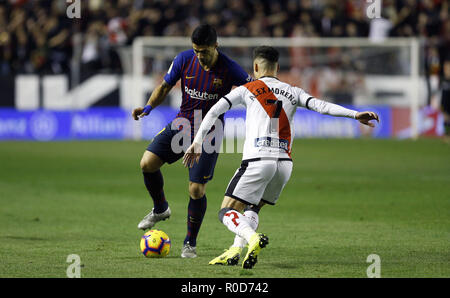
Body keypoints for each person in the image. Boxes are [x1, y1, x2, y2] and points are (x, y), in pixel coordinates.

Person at [183, 46, 379, 269]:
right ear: (277, 68)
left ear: (256, 67)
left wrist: (197, 142)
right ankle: (235, 250)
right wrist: (355, 114)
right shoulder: (293, 91)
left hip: (258, 160)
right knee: (252, 208)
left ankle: (251, 239)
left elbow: (214, 111)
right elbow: (321, 106)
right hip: (284, 165)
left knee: (226, 211)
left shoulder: (247, 89)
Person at [132, 24, 252, 258]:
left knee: (196, 189)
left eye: (204, 51)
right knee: (147, 163)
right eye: (196, 51)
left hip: (210, 132)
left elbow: (254, 91)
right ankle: (160, 208)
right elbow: (165, 86)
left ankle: (190, 243)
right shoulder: (184, 60)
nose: (199, 56)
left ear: (215, 46)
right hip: (182, 124)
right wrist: (148, 107)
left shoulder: (230, 69)